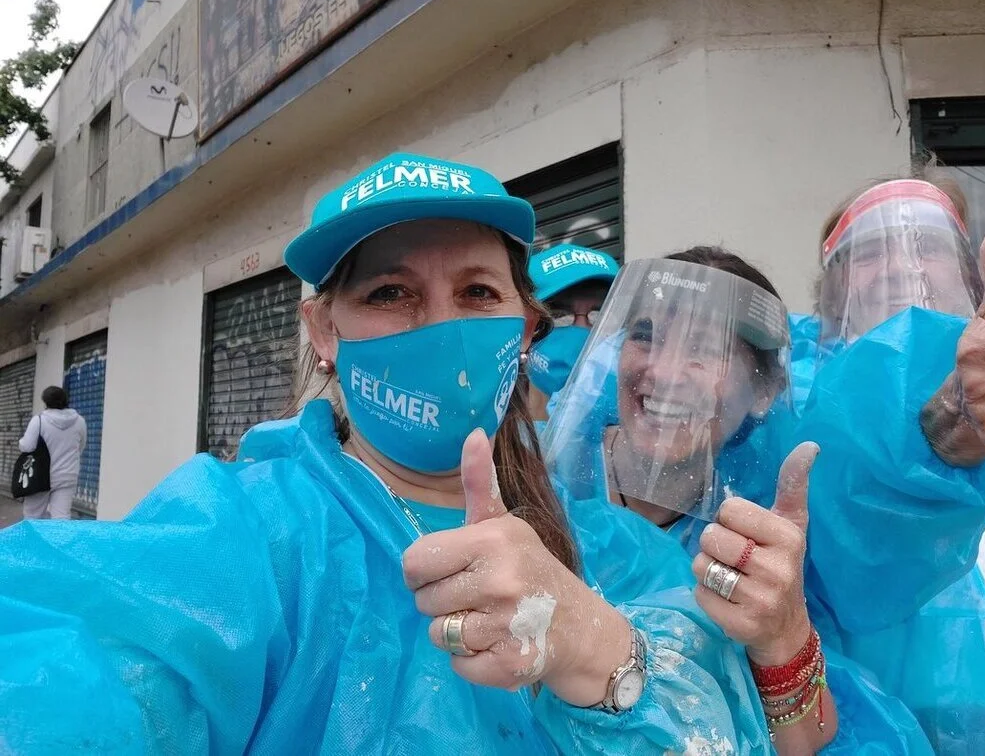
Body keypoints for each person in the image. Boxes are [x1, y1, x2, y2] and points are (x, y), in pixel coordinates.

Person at [0, 154, 779, 755]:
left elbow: (723, 724)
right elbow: (78, 667)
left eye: (477, 293)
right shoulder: (246, 530)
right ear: (323, 332)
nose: (440, 326)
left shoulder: (617, 553)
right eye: (389, 293)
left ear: (524, 328)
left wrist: (595, 651)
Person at [544, 247, 934, 753]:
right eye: (645, 336)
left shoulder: (758, 528)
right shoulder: (542, 481)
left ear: (765, 389)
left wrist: (782, 637)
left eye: (706, 348)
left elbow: (808, 743)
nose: (663, 372)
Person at [796, 175, 985, 755]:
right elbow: (858, 555)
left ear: (967, 277)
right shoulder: (808, 402)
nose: (900, 264)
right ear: (835, 289)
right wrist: (947, 436)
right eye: (868, 252)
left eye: (929, 245)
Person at [525, 242, 619, 421]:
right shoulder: (487, 435)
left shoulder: (638, 433)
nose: (581, 329)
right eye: (560, 315)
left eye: (600, 315)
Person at [17, 385, 86, 520]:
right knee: (61, 517)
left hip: (40, 476)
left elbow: (27, 447)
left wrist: (21, 442)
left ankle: (35, 541)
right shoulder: (80, 421)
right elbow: (80, 447)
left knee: (33, 516)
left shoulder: (39, 420)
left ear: (46, 402)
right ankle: (58, 541)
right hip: (67, 475)